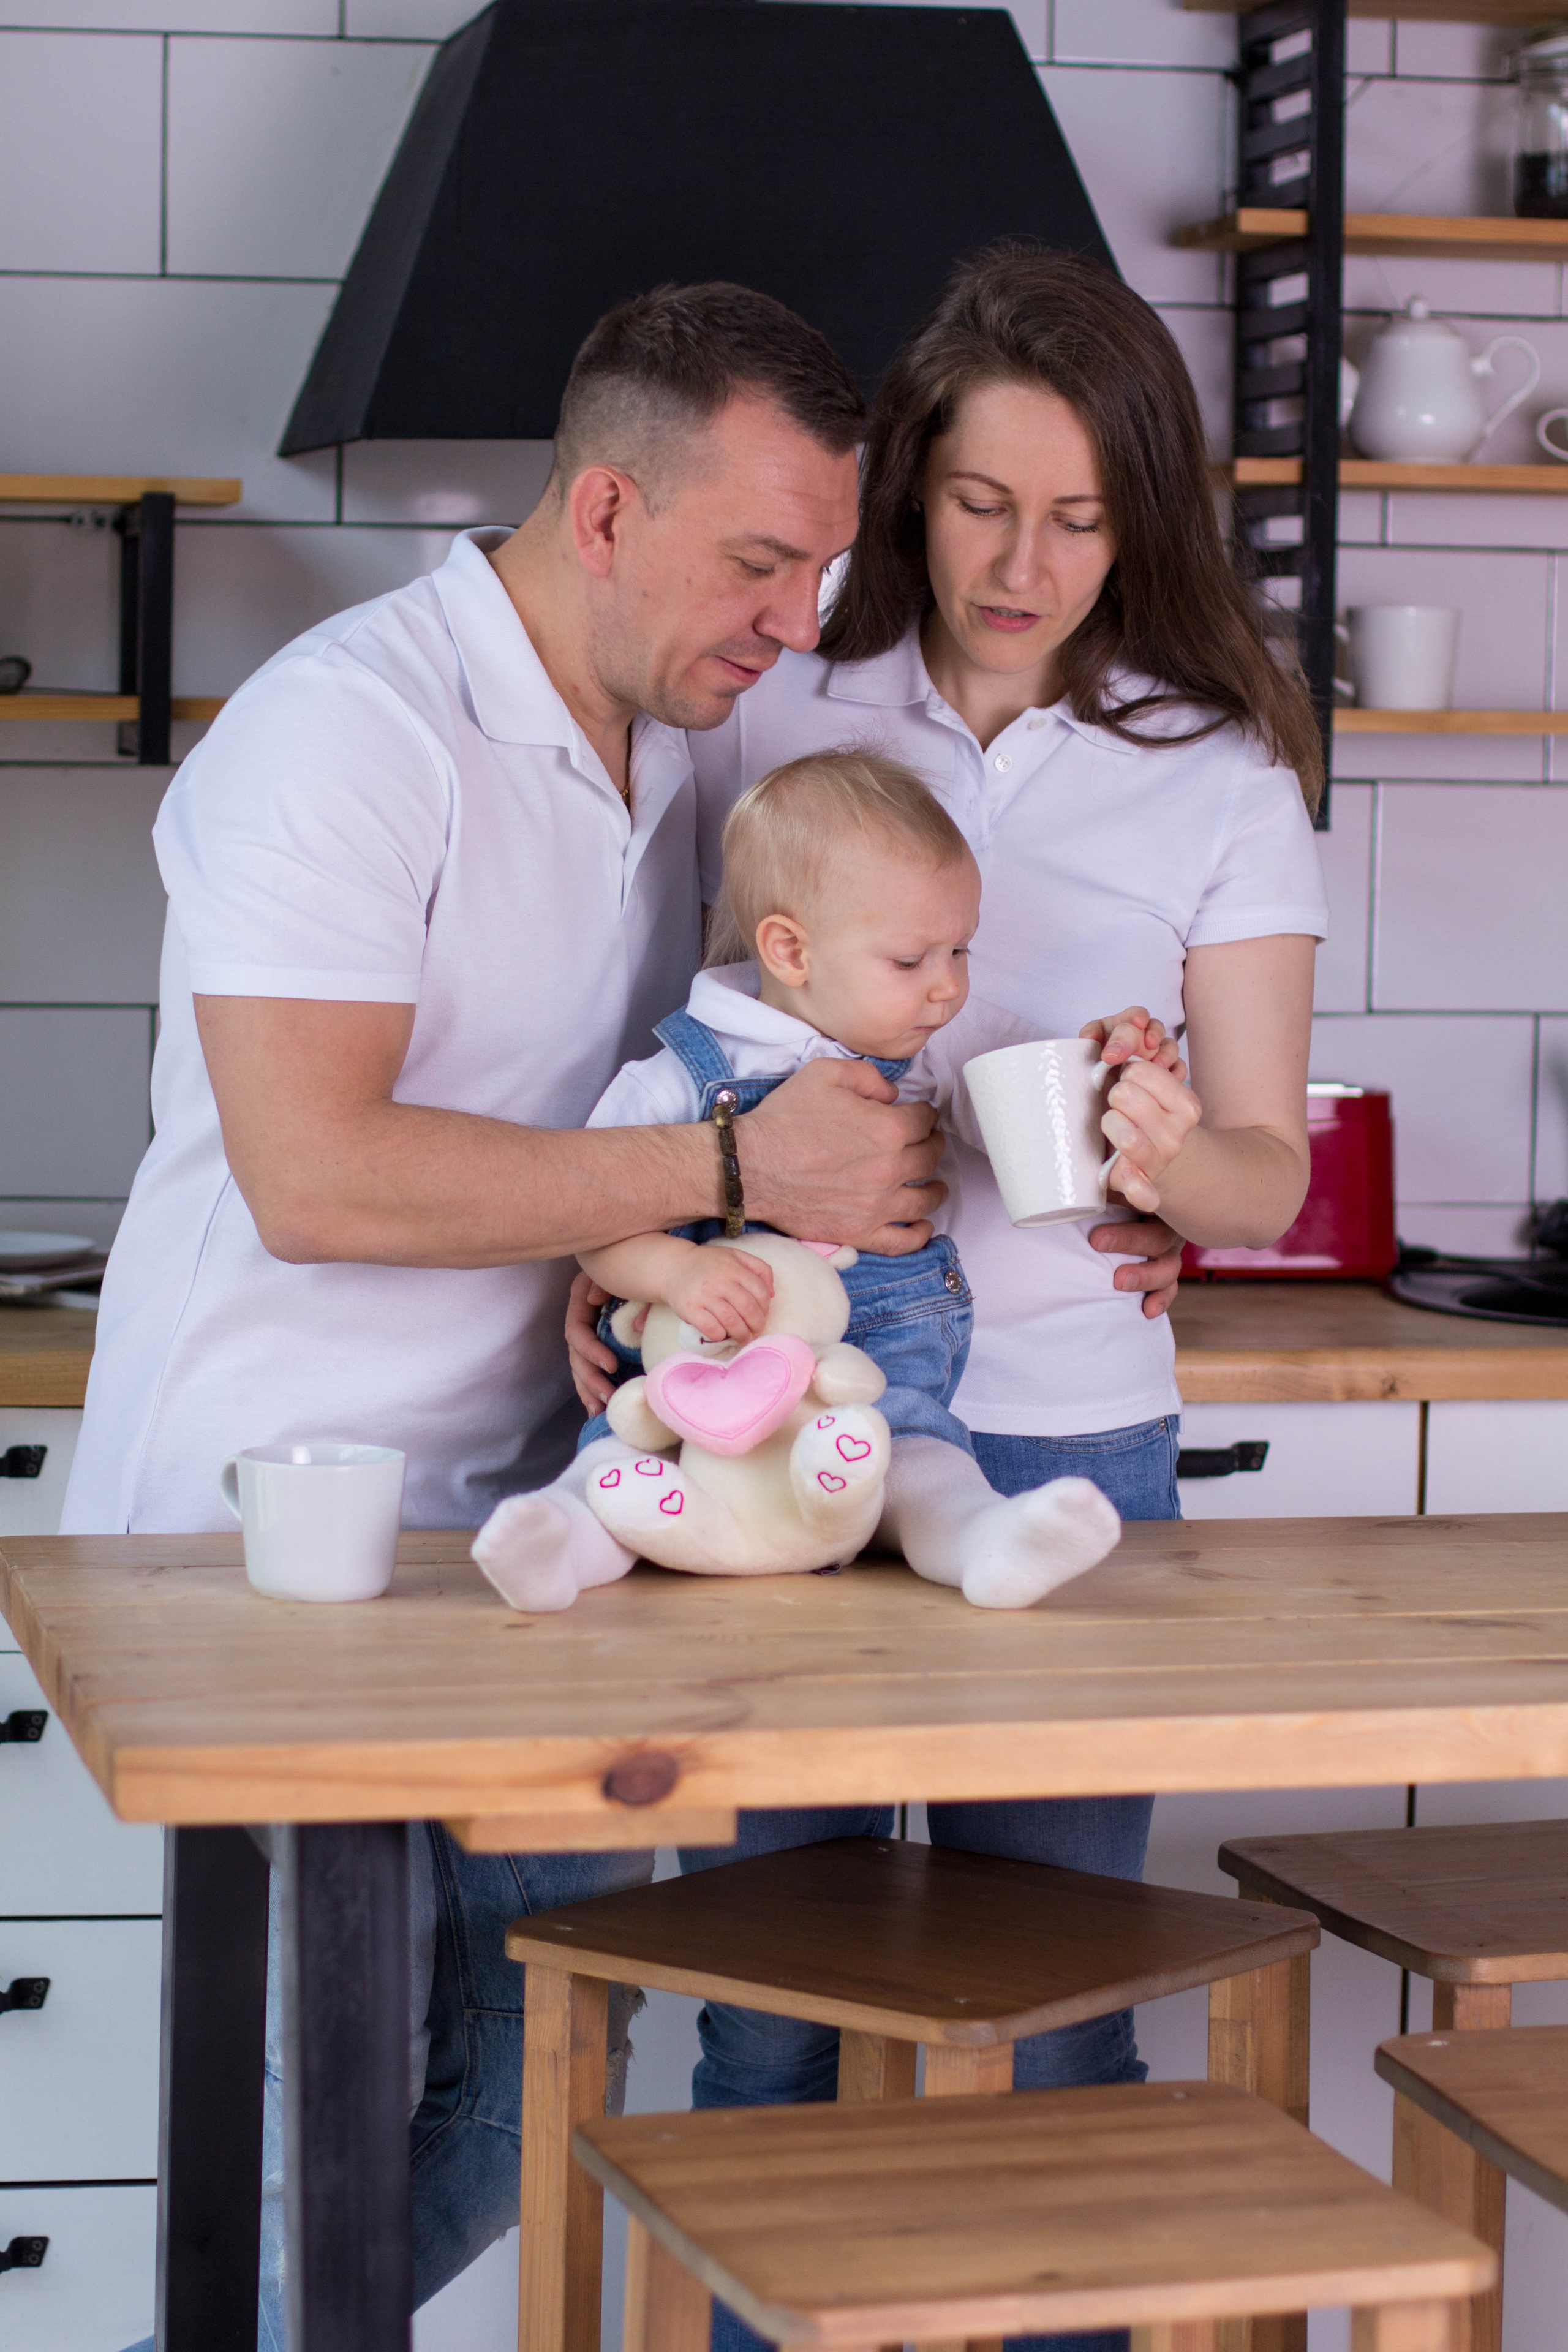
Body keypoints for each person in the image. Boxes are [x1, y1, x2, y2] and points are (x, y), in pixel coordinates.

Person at [74, 281, 959, 2347]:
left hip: (521, 1535)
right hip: (260, 1540)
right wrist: (721, 1185)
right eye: (762, 561)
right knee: (343, 2141)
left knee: (516, 2099)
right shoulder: (345, 728)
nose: (794, 614)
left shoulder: (695, 741)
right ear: (603, 512)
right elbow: (325, 1171)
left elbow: (663, 1075)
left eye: (820, 567)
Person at [570, 246, 1329, 2352]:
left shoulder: (1222, 775)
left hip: (1072, 1438)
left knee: (1058, 2016)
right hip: (783, 1440)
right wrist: (630, 1267)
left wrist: (1188, 1162)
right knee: (764, 2025)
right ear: (912, 488)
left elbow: (1265, 1164)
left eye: (1084, 518)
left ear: (1143, 520)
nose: (1027, 562)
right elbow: (675, 1046)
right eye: (986, 503)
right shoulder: (789, 704)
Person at [480, 747, 1186, 1610]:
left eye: (960, 950)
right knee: (619, 1452)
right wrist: (675, 1271)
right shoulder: (681, 1070)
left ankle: (981, 1541)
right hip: (700, 1375)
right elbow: (593, 1221)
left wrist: (1115, 1058)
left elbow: (1046, 1093)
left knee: (924, 1457)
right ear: (789, 950)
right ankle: (559, 1541)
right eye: (911, 960)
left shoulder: (939, 1050)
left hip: (872, 1384)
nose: (948, 990)